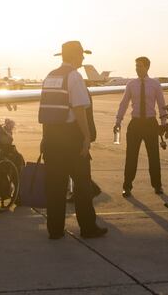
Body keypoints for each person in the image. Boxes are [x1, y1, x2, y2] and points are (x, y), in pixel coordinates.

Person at [38, 40, 107, 240]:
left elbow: (48, 110)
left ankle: (55, 230)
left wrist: (45, 138)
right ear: (75, 55)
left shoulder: (50, 77)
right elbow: (79, 109)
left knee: (55, 187)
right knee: (83, 186)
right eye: (82, 54)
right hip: (71, 138)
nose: (84, 58)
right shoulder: (74, 77)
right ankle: (88, 228)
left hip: (51, 137)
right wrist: (86, 137)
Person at [114, 56, 168, 197]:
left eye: (140, 66)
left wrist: (164, 124)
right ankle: (127, 186)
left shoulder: (155, 84)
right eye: (136, 66)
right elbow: (124, 103)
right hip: (136, 124)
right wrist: (118, 120)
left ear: (147, 67)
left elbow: (162, 105)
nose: (137, 69)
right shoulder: (131, 84)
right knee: (131, 156)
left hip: (150, 123)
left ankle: (157, 185)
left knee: (154, 156)